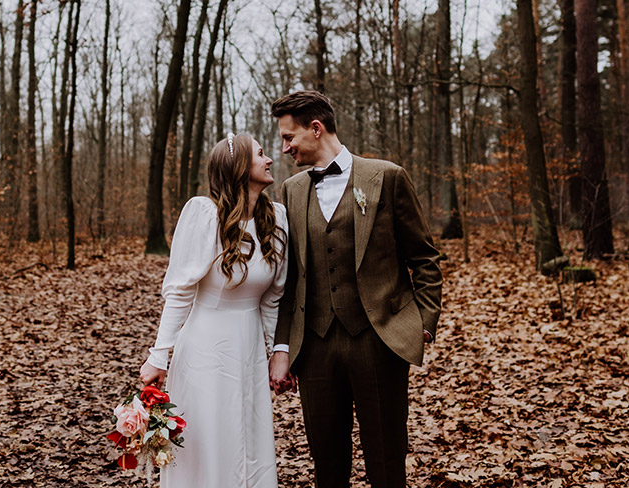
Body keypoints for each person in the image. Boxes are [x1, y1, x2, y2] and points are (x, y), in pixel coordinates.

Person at [268, 91, 442, 488]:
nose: (284, 148)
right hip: (315, 346)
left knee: (386, 457)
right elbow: (290, 277)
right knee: (327, 462)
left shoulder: (387, 176)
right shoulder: (291, 191)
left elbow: (425, 259)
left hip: (379, 340)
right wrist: (282, 347)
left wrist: (422, 324)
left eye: (289, 137)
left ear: (316, 129)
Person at [140, 133, 289, 488]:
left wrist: (275, 352)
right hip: (206, 348)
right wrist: (159, 355)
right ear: (239, 168)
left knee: (247, 441)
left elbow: (272, 298)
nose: (269, 160)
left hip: (249, 349)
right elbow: (179, 291)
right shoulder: (205, 214)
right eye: (261, 154)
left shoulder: (277, 218)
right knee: (209, 442)